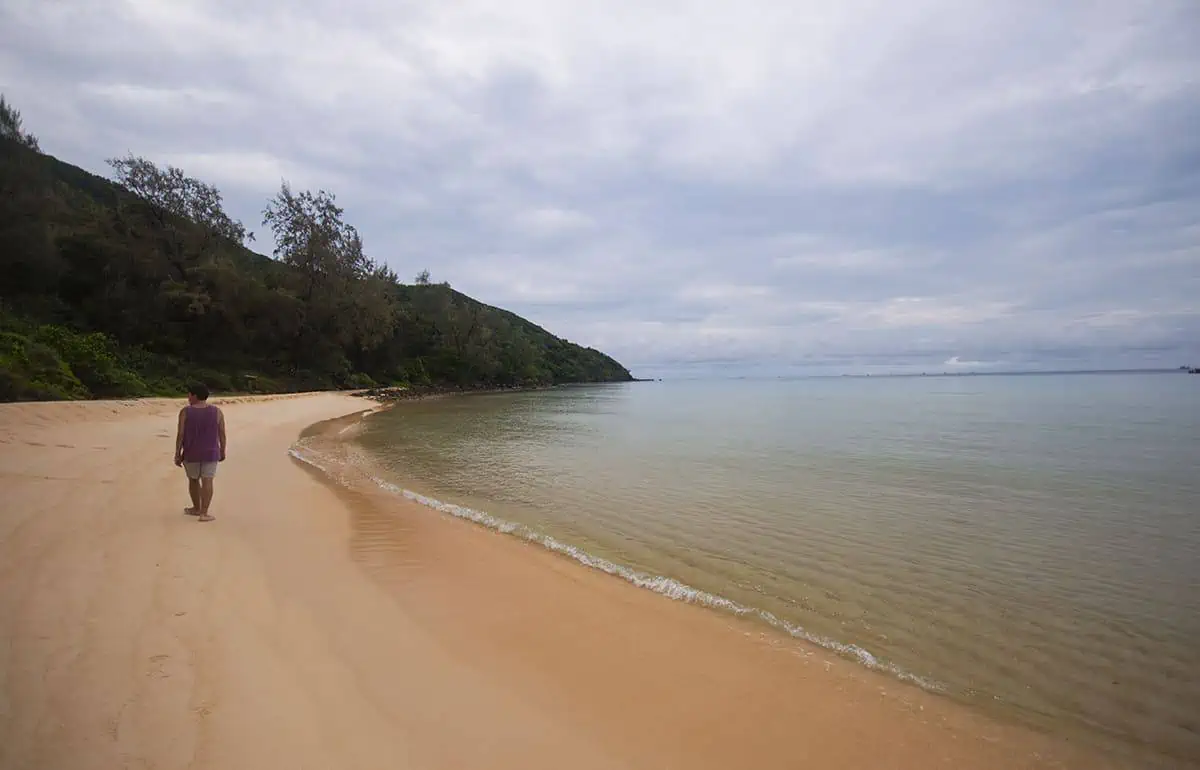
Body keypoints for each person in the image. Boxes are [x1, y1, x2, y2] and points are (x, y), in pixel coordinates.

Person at [174, 383, 226, 522]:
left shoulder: (185, 412)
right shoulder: (217, 411)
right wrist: (223, 450)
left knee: (193, 480)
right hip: (211, 452)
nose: (188, 397)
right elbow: (222, 433)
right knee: (208, 480)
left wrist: (177, 453)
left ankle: (196, 508)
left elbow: (180, 434)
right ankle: (204, 513)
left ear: (195, 395)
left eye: (189, 394)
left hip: (191, 452)